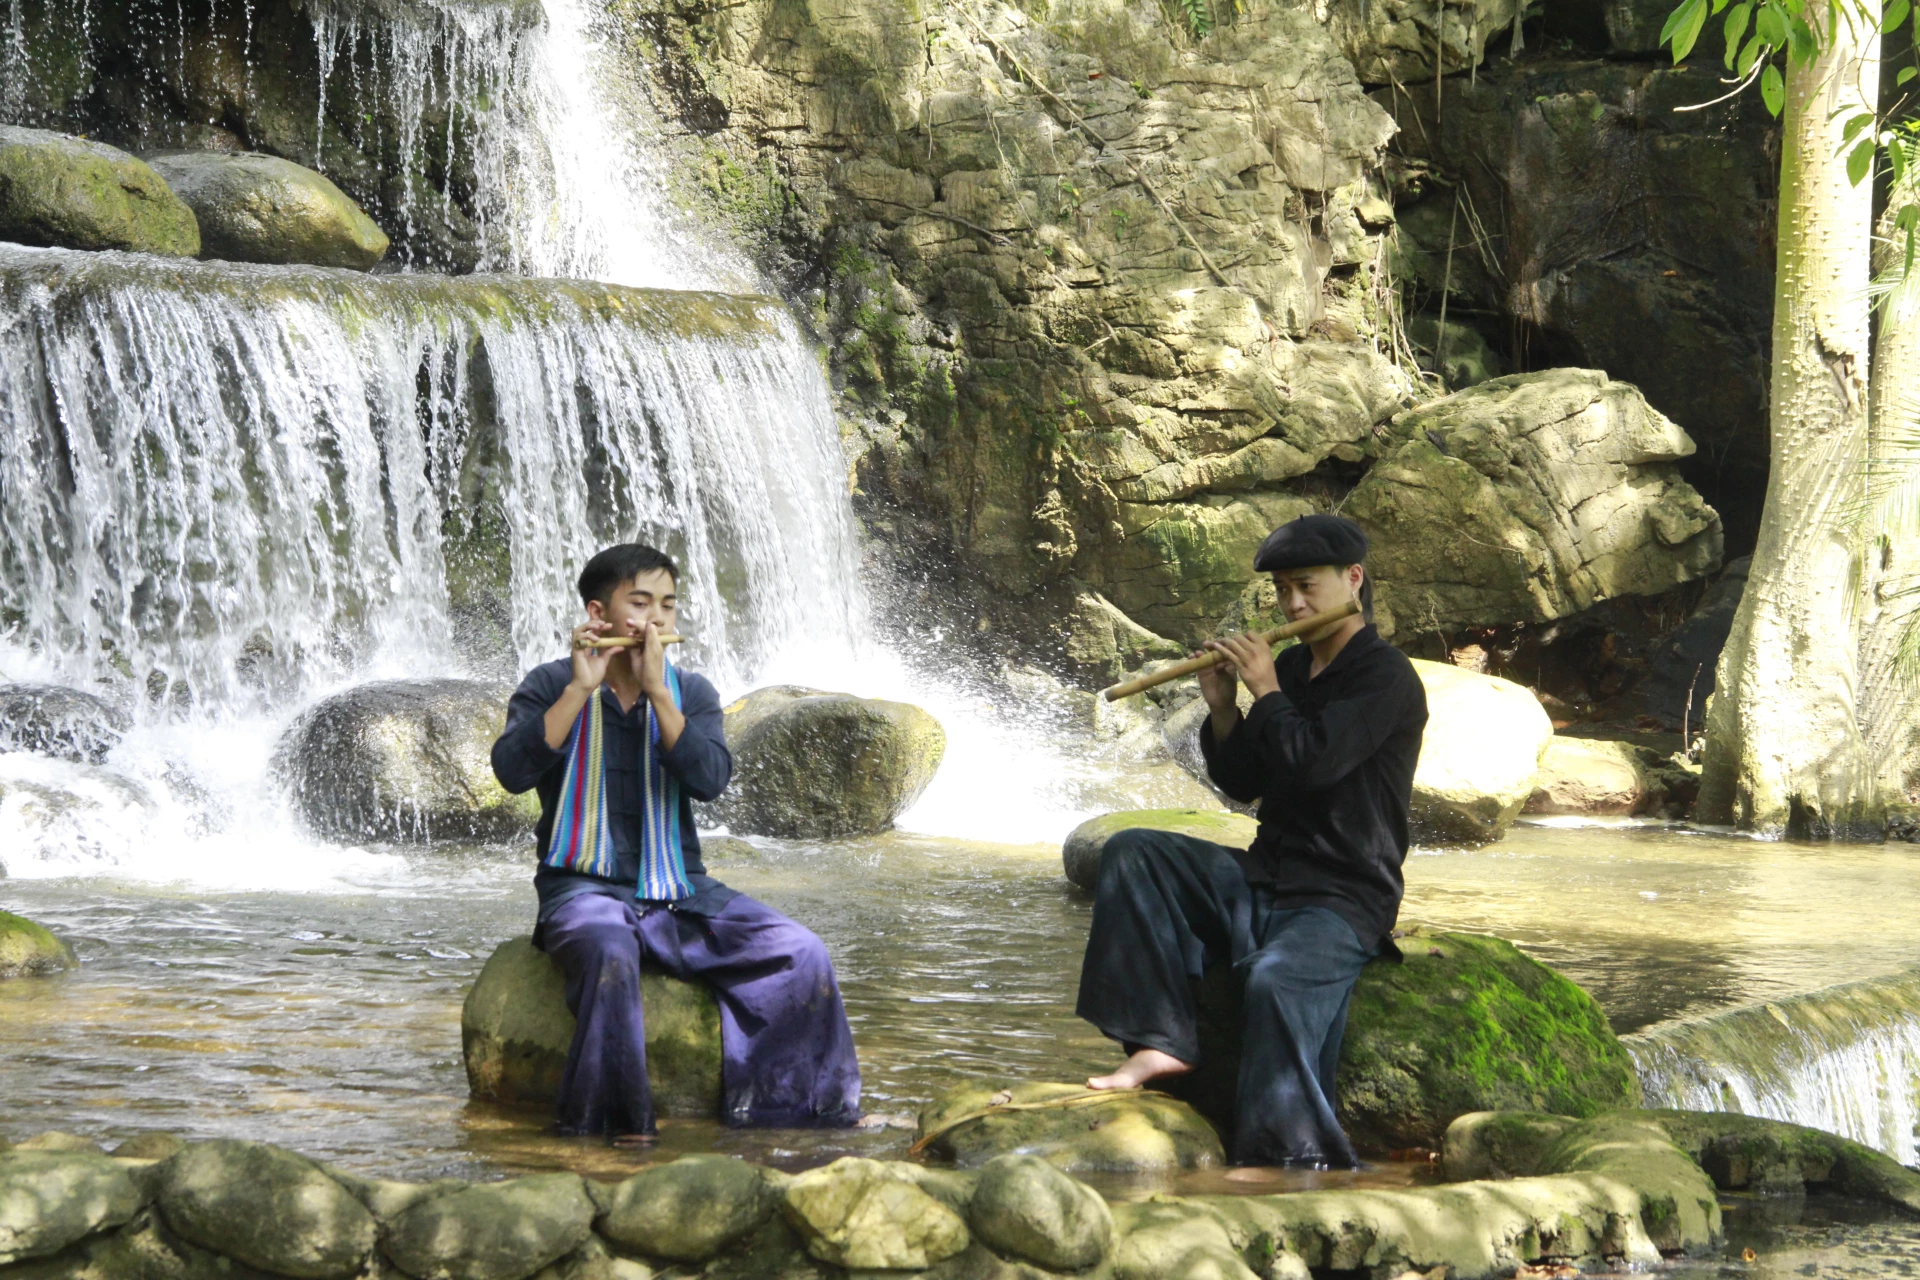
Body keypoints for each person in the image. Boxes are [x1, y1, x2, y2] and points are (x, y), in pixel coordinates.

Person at [1075, 513, 1428, 1169]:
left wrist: (1264, 689)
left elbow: (1315, 764)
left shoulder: (1387, 678)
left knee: (1273, 982)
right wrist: (1223, 707)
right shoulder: (1294, 669)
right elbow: (1244, 784)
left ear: (1354, 580)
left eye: (1307, 586)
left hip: (1343, 894)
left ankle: (1283, 1160)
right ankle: (1162, 1040)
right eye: (1283, 590)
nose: (1293, 603)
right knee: (1134, 853)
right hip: (1268, 875)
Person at [490, 542, 862, 1144]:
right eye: (640, 603)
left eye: (667, 606)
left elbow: (710, 780)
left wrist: (661, 695)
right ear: (598, 614)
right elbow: (512, 772)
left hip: (678, 891)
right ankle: (617, 1128)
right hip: (582, 890)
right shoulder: (551, 684)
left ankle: (796, 1118)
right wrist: (580, 690)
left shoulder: (691, 693)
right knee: (611, 951)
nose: (657, 619)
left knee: (801, 951)